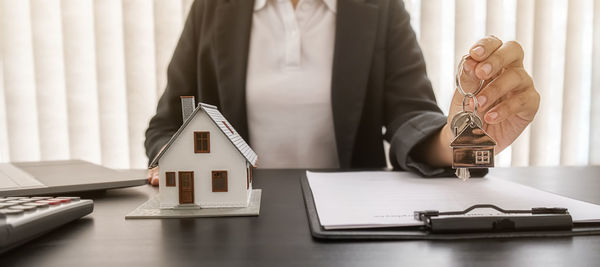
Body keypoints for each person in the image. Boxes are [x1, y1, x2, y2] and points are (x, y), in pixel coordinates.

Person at [145, 0, 539, 185]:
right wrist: (172, 165)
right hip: (232, 226)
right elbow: (168, 125)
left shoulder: (379, 9)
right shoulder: (213, 8)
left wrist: (469, 141)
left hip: (348, 231)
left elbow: (413, 118)